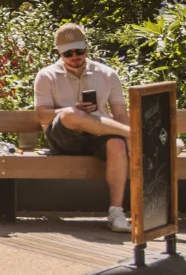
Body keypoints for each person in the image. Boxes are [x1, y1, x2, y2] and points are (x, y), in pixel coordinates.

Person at [33, 23, 134, 231]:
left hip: (99, 134)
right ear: (59, 53)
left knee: (116, 144)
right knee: (70, 114)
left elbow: (120, 113)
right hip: (64, 136)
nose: (74, 56)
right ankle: (138, 136)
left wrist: (126, 139)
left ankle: (116, 212)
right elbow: (41, 115)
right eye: (68, 53)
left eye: (79, 51)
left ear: (87, 47)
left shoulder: (107, 74)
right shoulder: (46, 75)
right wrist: (72, 110)